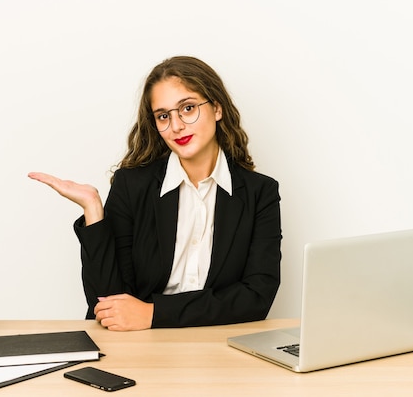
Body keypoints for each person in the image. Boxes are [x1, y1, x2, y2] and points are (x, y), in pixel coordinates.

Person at [28, 56, 281, 331]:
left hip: (220, 348)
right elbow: (106, 304)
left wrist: (154, 313)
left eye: (188, 108)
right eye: (163, 116)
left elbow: (257, 298)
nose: (176, 126)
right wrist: (93, 212)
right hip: (141, 347)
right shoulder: (132, 185)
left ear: (217, 108)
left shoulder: (260, 193)